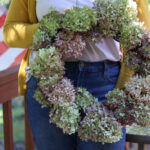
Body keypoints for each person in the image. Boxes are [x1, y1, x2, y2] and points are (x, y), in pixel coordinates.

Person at [3, 0, 150, 150]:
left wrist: (123, 95)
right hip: (47, 85)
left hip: (106, 85)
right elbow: (10, 32)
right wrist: (52, 30)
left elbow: (142, 43)